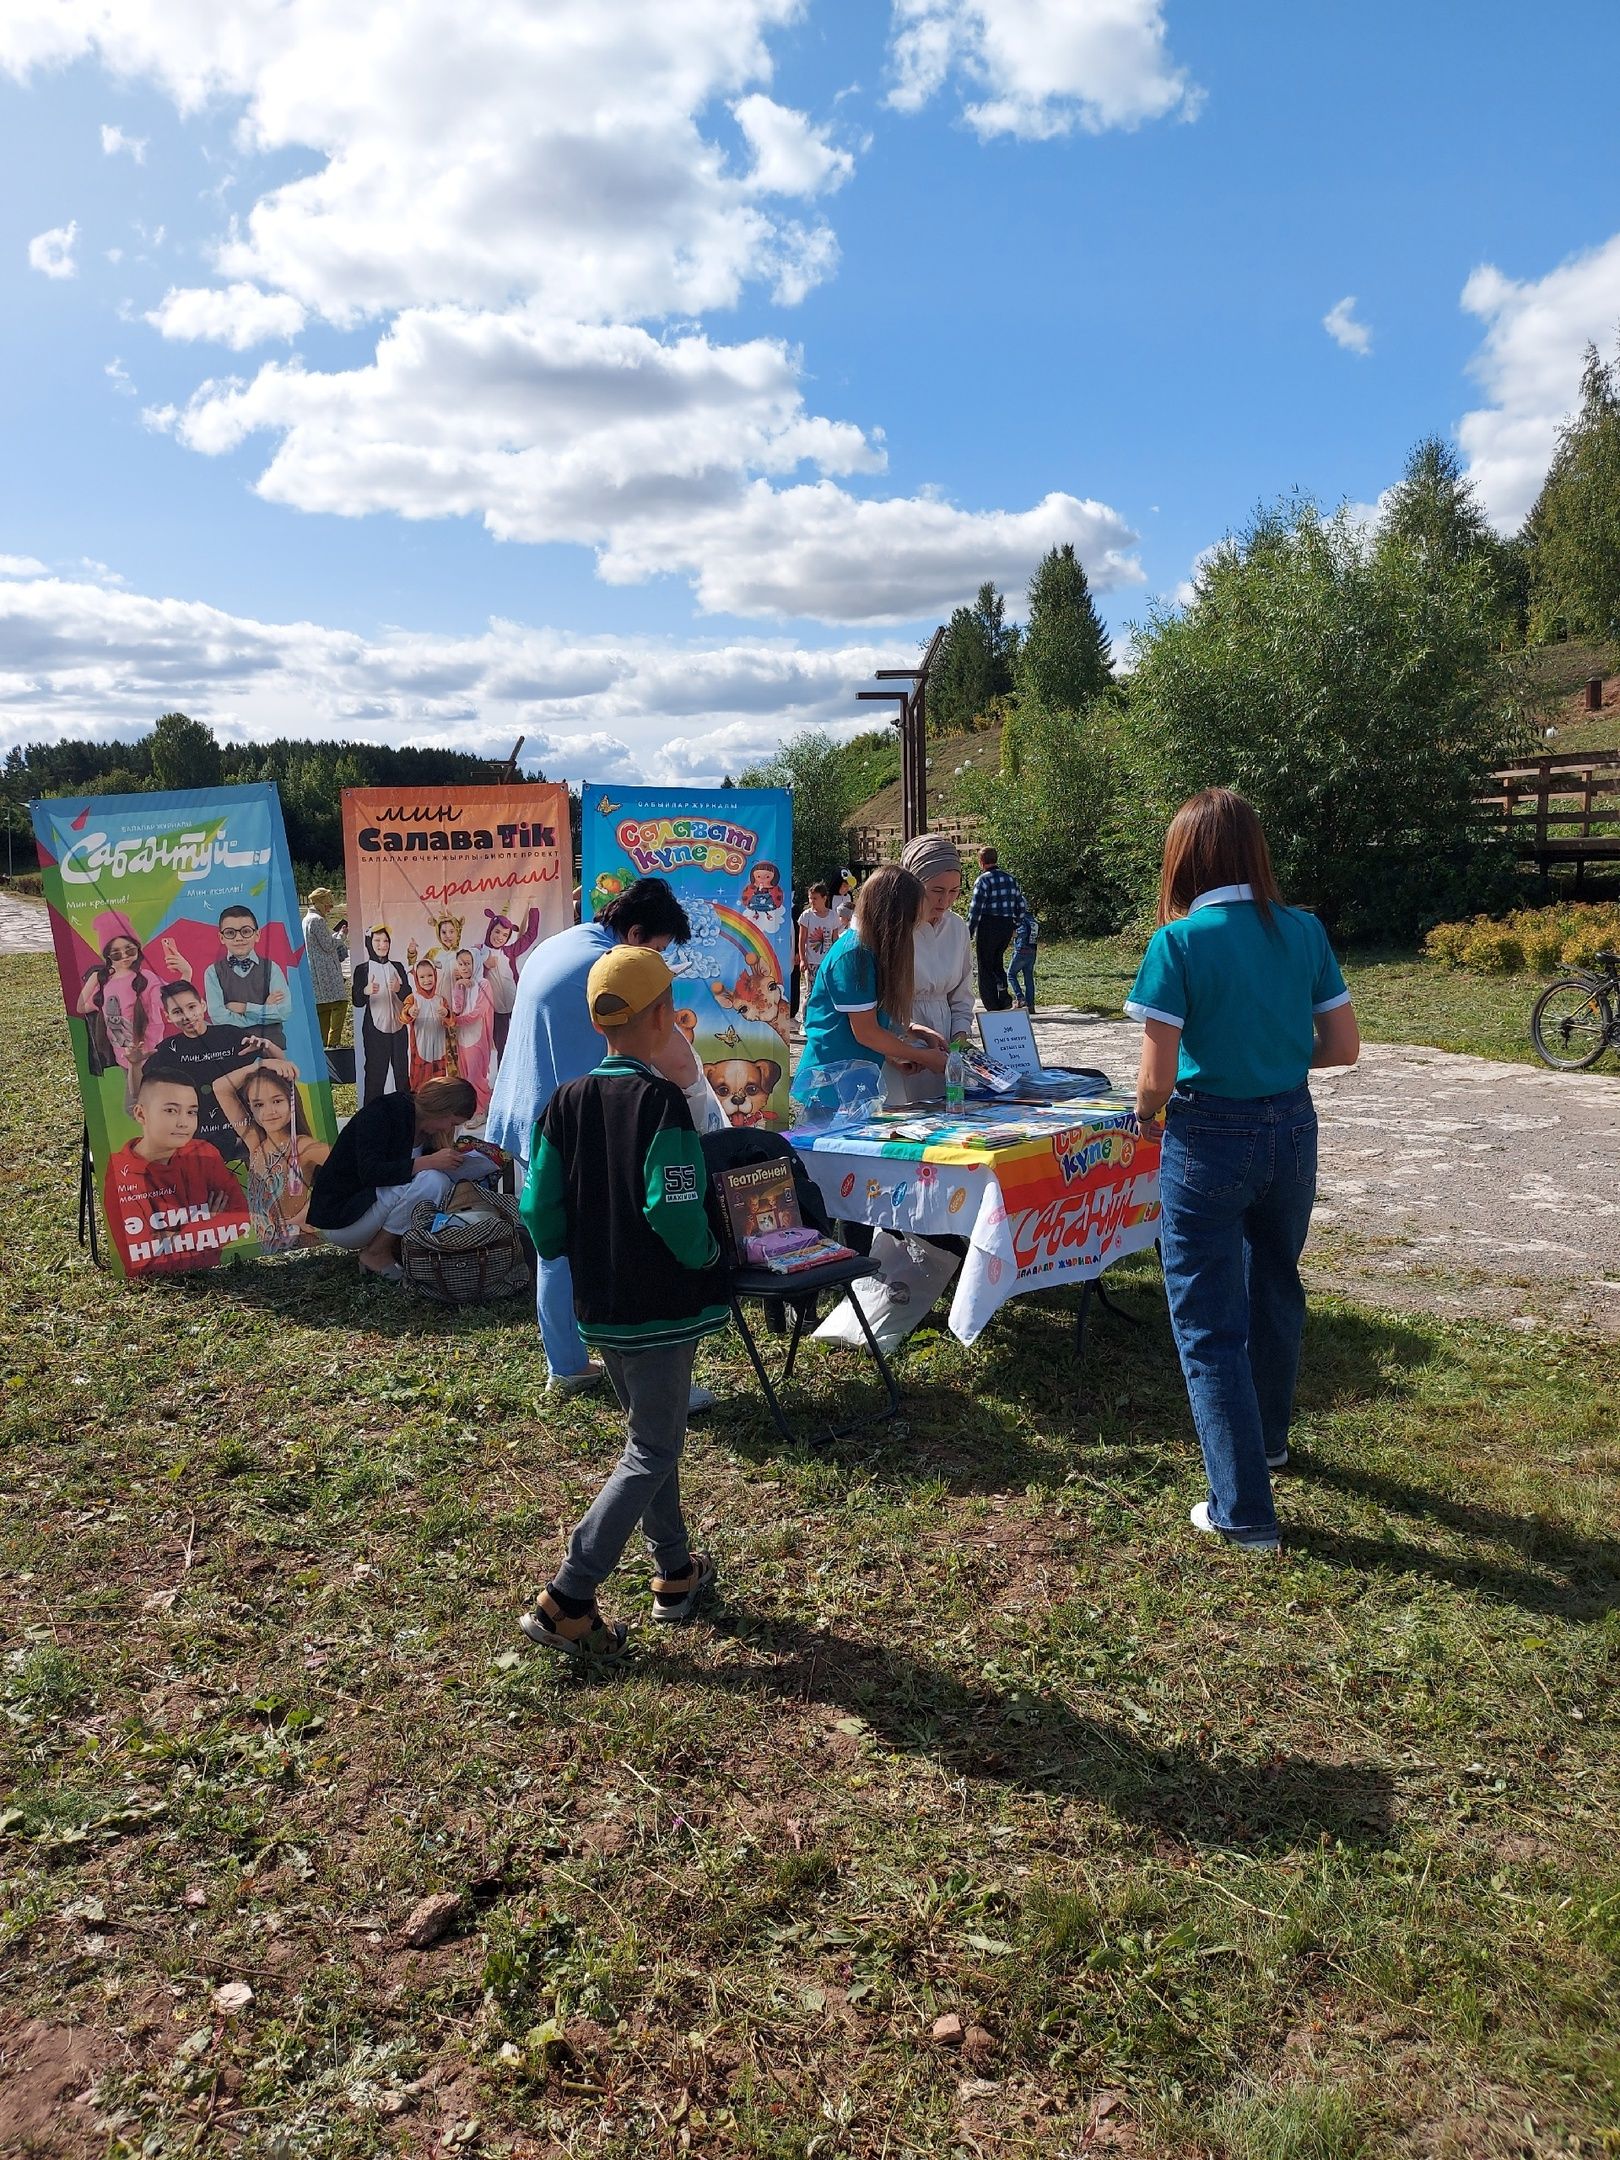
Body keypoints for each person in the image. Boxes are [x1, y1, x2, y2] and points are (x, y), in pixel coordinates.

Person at [1127, 788, 1360, 1555]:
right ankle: (1268, 1443)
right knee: (1277, 1284)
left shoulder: (1179, 942)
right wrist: (1278, 1057)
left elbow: (1155, 1077)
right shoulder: (1303, 930)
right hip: (1291, 1126)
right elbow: (1344, 1046)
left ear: (1184, 859)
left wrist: (1145, 1118)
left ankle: (1244, 1511)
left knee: (1207, 1322)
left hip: (1208, 1134)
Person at [516, 945, 727, 1660]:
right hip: (664, 1303)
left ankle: (674, 1571)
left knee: (649, 1433)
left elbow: (539, 1211)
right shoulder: (663, 1103)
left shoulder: (562, 1103)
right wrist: (706, 1255)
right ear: (665, 1016)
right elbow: (673, 1206)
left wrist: (575, 1255)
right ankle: (569, 1596)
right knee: (653, 1445)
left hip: (600, 1304)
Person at [486, 877, 724, 1404]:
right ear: (635, 933)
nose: (656, 965)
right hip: (576, 1123)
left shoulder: (564, 943)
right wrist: (705, 1111)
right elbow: (676, 1055)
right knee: (622, 1242)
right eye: (656, 951)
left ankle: (567, 1365)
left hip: (537, 1108)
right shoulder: (607, 967)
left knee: (555, 1241)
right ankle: (650, 1374)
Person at [307, 1074, 495, 1280]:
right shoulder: (383, 1113)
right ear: (441, 1108)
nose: (449, 1129)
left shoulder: (427, 1131)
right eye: (451, 1123)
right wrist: (428, 1162)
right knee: (433, 1180)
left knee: (437, 1180)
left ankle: (399, 1249)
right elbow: (370, 1173)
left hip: (368, 1213)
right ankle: (376, 1253)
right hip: (342, 1218)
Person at [793, 864, 949, 1105]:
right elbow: (866, 1032)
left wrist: (913, 1031)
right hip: (829, 1089)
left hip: (854, 1084)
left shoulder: (867, 951)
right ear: (893, 918)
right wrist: (923, 1057)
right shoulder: (854, 955)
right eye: (910, 923)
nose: (911, 932)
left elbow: (872, 1018)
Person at [104, 1073, 251, 1276]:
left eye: (192, 1112)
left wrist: (172, 1237)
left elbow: (241, 1219)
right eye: (171, 1110)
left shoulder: (203, 1152)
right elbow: (143, 1266)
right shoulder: (122, 1173)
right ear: (141, 1115)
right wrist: (205, 1224)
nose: (184, 1123)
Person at [144, 980, 278, 1164]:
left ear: (203, 1005)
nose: (187, 1016)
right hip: (196, 1139)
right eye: (177, 1012)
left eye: (191, 1007)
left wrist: (267, 1046)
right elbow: (141, 1091)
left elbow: (283, 1065)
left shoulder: (230, 1035)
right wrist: (134, 1065)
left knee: (268, 1175)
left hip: (244, 1129)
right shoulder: (168, 1049)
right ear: (168, 1017)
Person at [212, 1056, 330, 1252]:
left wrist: (307, 1213)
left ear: (291, 1102)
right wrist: (260, 1065)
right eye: (259, 1105)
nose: (269, 1111)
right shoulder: (255, 1144)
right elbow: (220, 1087)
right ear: (249, 1107)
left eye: (277, 1100)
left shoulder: (303, 1147)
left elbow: (348, 1170)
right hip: (268, 1257)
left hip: (303, 1254)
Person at [891, 835, 975, 1105]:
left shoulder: (957, 928)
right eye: (937, 890)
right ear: (913, 886)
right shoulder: (891, 929)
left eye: (954, 891)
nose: (946, 901)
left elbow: (962, 994)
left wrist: (960, 1036)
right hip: (899, 1040)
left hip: (944, 1042)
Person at [76, 916, 168, 1112]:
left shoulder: (146, 978)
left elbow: (166, 1001)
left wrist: (185, 975)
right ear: (108, 957)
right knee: (142, 1107)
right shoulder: (105, 984)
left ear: (137, 949)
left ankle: (164, 1137)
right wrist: (93, 978)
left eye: (130, 950)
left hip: (149, 1055)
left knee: (136, 1107)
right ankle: (161, 1139)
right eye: (116, 954)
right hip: (123, 1056)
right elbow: (82, 1006)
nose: (125, 956)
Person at [204, 905, 291, 1048]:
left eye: (245, 931)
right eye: (230, 933)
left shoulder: (272, 968)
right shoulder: (212, 972)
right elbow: (219, 1019)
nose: (239, 938)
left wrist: (244, 1008)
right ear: (221, 937)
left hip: (272, 1047)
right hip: (231, 1048)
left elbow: (283, 1012)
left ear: (257, 935)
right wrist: (264, 1009)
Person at [352, 925, 410, 1102]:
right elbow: (357, 1001)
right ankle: (371, 1118)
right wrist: (365, 991)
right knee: (375, 1076)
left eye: (385, 941)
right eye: (377, 940)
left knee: (402, 1076)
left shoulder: (398, 967)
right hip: (375, 1030)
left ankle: (407, 1113)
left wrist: (399, 989)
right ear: (369, 943)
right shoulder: (362, 969)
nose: (382, 945)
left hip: (399, 1029)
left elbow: (408, 996)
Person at [967, 846, 1028, 1013]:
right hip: (1006, 925)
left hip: (988, 924)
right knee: (997, 961)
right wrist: (1015, 923)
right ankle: (1003, 996)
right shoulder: (1011, 879)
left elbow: (976, 908)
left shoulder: (983, 880)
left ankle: (991, 1003)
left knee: (985, 964)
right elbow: (1021, 904)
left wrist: (969, 932)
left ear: (981, 862)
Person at [448, 947, 498, 1113]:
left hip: (478, 1037)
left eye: (468, 963)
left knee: (476, 1076)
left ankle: (481, 1110)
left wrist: (456, 1021)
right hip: (463, 1038)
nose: (464, 967)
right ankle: (471, 1110)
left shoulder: (484, 984)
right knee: (465, 1077)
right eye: (461, 964)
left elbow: (478, 1012)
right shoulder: (461, 985)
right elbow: (456, 1008)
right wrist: (458, 985)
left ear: (475, 963)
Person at [302, 888, 348, 1049]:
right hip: (326, 970)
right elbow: (328, 946)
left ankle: (323, 1044)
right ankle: (333, 1042)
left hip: (315, 971)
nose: (330, 909)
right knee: (340, 1003)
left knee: (322, 1008)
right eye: (328, 905)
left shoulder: (306, 919)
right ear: (321, 903)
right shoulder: (317, 921)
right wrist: (341, 935)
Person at [403, 959, 452, 1090]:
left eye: (430, 975)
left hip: (439, 1051)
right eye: (422, 977)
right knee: (420, 1085)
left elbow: (452, 1022)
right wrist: (410, 1011)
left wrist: (446, 1013)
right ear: (416, 979)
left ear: (435, 976)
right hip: (420, 1051)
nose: (427, 980)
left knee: (439, 1085)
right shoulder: (412, 998)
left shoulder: (440, 1000)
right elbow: (402, 1017)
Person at [796, 881, 837, 999]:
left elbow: (835, 939)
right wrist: (803, 959)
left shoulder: (833, 915)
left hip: (828, 961)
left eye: (815, 898)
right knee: (811, 993)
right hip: (812, 962)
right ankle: (806, 1016)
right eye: (810, 898)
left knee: (827, 993)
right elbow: (802, 939)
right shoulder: (806, 916)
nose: (812, 901)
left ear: (824, 898)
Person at [1009, 908, 1039, 1014]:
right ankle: (1031, 1005)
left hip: (1021, 951)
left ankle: (1020, 998)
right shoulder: (1033, 920)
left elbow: (1021, 933)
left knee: (1011, 974)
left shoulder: (1021, 920)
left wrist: (1010, 933)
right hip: (1032, 951)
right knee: (1029, 978)